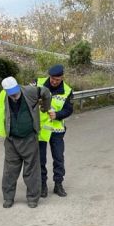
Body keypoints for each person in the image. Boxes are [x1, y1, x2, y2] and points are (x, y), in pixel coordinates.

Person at [0, 76, 51, 209]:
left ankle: (32, 198)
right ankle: (8, 198)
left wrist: (45, 108)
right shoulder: (4, 96)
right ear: (5, 92)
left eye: (15, 92)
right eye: (11, 94)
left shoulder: (30, 91)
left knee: (31, 170)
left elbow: (46, 92)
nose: (14, 96)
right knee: (9, 171)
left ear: (18, 87)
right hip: (12, 140)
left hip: (29, 138)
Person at [37, 64, 74, 198]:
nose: (54, 81)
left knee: (58, 158)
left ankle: (58, 184)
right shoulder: (39, 83)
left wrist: (58, 115)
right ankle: (42, 186)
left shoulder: (67, 90)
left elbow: (69, 110)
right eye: (52, 78)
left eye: (57, 79)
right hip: (41, 130)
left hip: (57, 131)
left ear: (62, 78)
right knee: (40, 160)